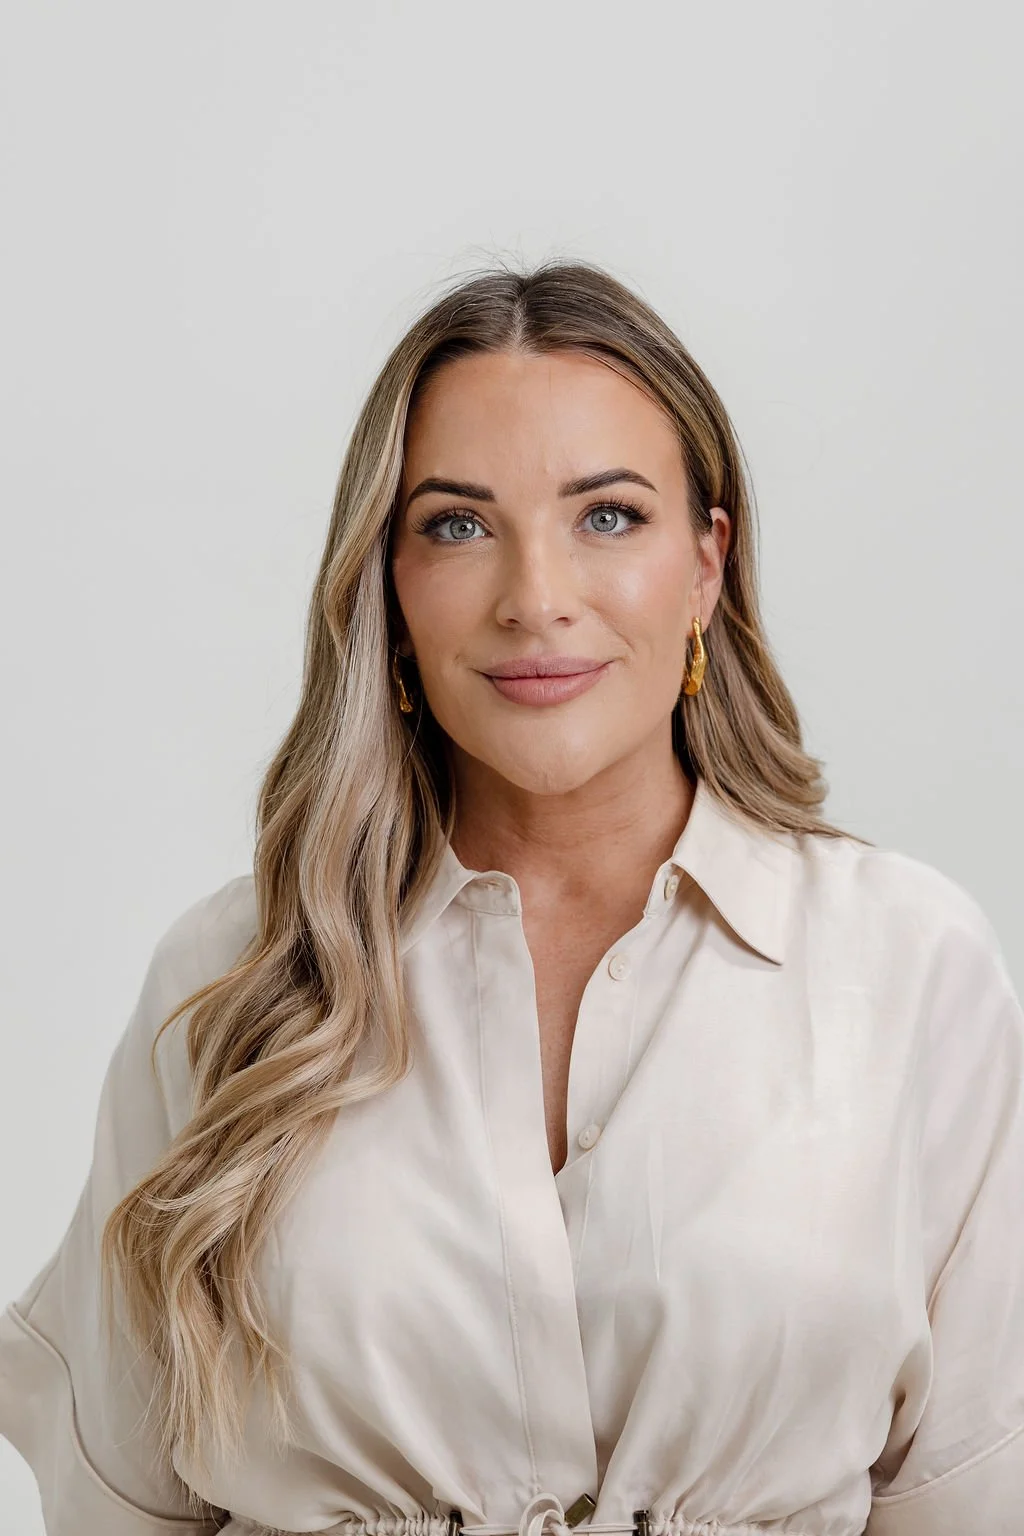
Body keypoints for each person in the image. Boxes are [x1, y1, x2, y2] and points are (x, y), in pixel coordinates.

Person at [1, 260, 1021, 1536]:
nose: (535, 598)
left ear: (706, 566)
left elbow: (974, 1493)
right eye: (457, 525)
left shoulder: (908, 969)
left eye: (609, 516)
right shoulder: (230, 980)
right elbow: (118, 1500)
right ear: (388, 586)